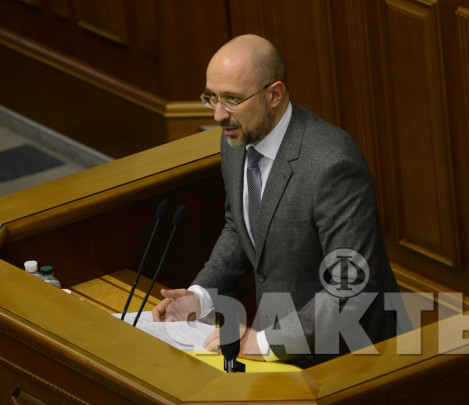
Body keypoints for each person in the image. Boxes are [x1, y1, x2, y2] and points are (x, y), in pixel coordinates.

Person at [152, 34, 402, 365]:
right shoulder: (235, 139)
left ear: (274, 95)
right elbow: (239, 228)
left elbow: (350, 287)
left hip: (350, 357)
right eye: (212, 98)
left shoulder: (332, 165)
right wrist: (200, 296)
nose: (218, 115)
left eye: (232, 99)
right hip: (282, 351)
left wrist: (265, 341)